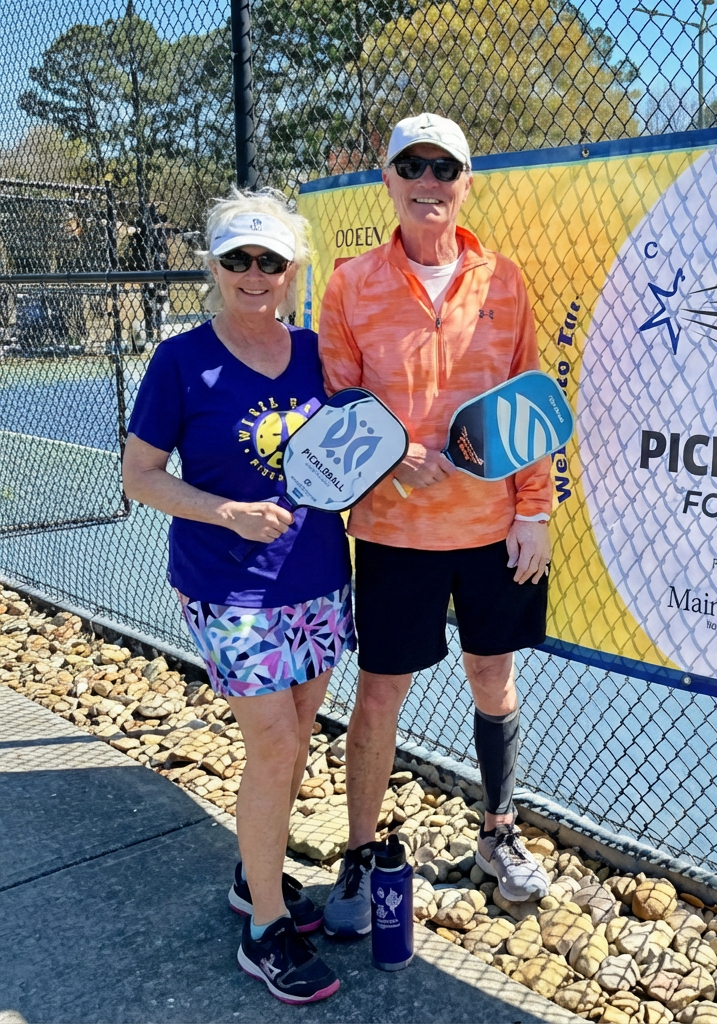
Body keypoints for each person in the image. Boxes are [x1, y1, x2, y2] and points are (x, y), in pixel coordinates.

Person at [317, 113, 553, 939]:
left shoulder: (505, 281)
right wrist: (394, 457)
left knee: (493, 677)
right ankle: (358, 853)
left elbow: (529, 404)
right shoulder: (349, 284)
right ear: (387, 180)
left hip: (493, 531)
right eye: (411, 167)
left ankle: (498, 833)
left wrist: (534, 510)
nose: (428, 183)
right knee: (381, 693)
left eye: (443, 168)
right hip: (393, 535)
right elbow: (339, 400)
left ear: (466, 182)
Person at [121, 188, 349, 1004]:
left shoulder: (320, 353)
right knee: (276, 744)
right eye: (238, 259)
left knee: (298, 731)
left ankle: (255, 877)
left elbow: (356, 447)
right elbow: (140, 477)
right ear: (215, 267)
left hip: (317, 576)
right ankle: (265, 932)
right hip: (227, 588)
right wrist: (228, 512)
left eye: (270, 260)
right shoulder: (181, 360)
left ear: (293, 270)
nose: (255, 273)